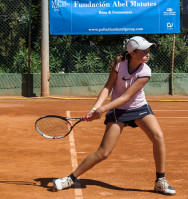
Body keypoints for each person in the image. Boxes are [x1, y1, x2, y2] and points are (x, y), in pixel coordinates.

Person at [52, 36, 176, 196]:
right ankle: (69, 179)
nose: (148, 54)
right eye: (143, 51)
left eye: (148, 50)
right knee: (103, 152)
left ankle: (160, 181)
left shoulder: (145, 71)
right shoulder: (119, 65)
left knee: (158, 136)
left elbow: (126, 97)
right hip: (118, 111)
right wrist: (95, 108)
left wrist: (102, 109)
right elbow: (107, 87)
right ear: (132, 52)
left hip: (139, 108)